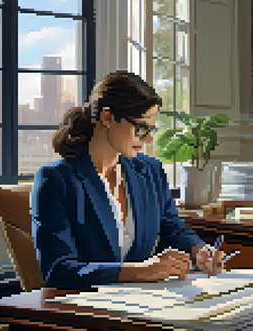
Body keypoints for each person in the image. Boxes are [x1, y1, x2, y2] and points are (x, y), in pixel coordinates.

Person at [32, 70, 225, 290]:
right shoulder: (57, 180)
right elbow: (57, 269)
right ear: (107, 117)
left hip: (143, 304)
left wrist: (198, 250)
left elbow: (173, 229)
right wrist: (138, 271)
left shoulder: (151, 171)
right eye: (141, 128)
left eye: (152, 129)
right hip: (83, 310)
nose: (149, 138)